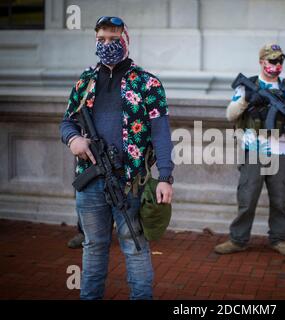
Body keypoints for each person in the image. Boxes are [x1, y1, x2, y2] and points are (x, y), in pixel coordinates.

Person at [60, 16, 174, 299]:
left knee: (135, 247)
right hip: (89, 183)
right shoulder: (85, 82)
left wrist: (166, 177)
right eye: (102, 39)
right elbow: (67, 121)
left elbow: (161, 133)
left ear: (127, 40)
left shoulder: (148, 84)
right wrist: (73, 139)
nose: (108, 44)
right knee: (93, 246)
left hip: (130, 183)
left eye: (114, 38)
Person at [214, 44, 285, 256]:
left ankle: (278, 239)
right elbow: (230, 115)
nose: (276, 65)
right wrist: (248, 99)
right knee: (247, 198)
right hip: (254, 149)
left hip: (281, 150)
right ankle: (238, 239)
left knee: (280, 199)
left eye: (279, 61)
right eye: (271, 60)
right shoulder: (248, 86)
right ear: (261, 62)